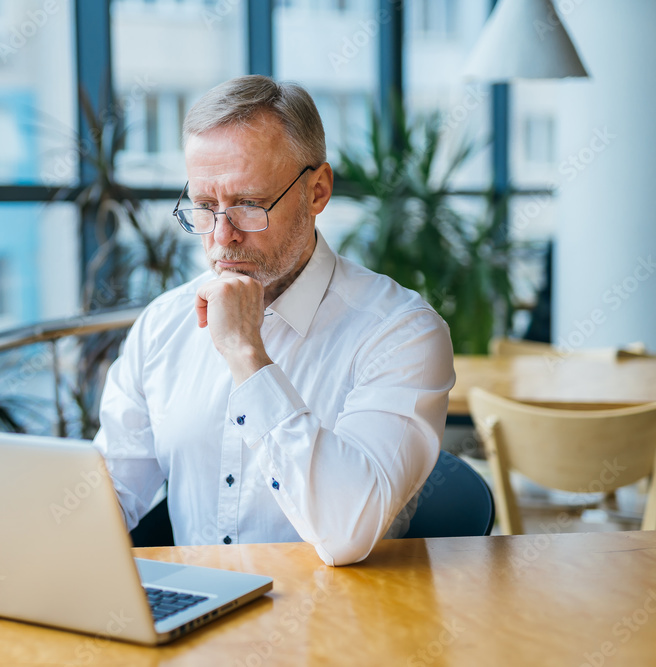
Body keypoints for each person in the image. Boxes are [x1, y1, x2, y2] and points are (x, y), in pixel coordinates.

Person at [92, 75, 455, 566]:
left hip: (348, 631)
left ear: (317, 192)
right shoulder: (163, 325)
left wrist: (247, 354)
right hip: (196, 625)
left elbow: (347, 532)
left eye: (248, 204)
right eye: (204, 207)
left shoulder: (400, 333)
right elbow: (108, 494)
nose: (222, 237)